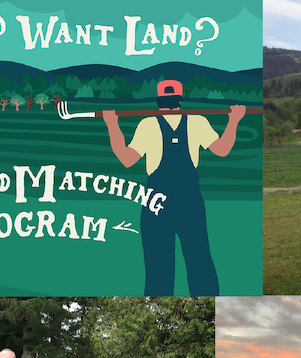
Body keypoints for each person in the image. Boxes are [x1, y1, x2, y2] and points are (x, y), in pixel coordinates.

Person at [101, 81, 246, 295]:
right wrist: (234, 120)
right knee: (199, 263)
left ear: (158, 100)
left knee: (160, 268)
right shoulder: (197, 122)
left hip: (158, 206)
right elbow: (223, 149)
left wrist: (112, 124)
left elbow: (126, 159)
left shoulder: (148, 124)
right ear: (180, 99)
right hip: (188, 204)